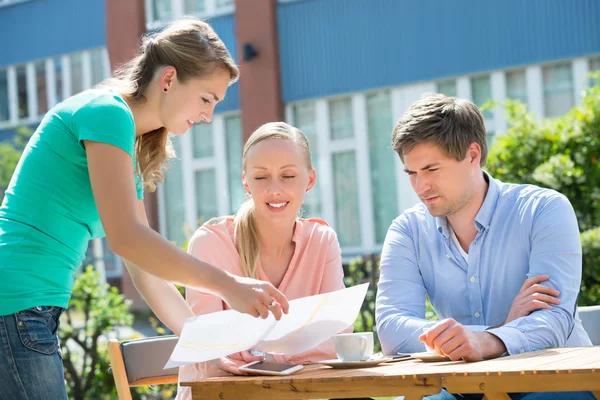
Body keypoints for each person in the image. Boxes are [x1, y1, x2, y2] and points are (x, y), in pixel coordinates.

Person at [0, 18, 288, 400]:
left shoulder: (125, 148)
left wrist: (209, 353)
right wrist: (228, 284)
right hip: (17, 305)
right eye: (206, 99)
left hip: (26, 310)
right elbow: (127, 239)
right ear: (168, 79)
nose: (208, 116)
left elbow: (147, 270)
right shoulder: (106, 113)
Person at [375, 93, 593, 400]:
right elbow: (392, 330)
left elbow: (554, 321)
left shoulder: (544, 210)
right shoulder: (407, 230)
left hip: (550, 379)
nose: (420, 187)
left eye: (431, 169)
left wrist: (485, 340)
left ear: (473, 154)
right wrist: (497, 330)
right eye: (412, 173)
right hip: (460, 385)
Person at [176, 122, 351, 400]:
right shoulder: (211, 244)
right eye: (261, 178)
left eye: (288, 175)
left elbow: (337, 338)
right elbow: (209, 350)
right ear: (245, 181)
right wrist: (289, 354)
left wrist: (256, 355)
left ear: (310, 179)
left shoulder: (322, 241)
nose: (275, 190)